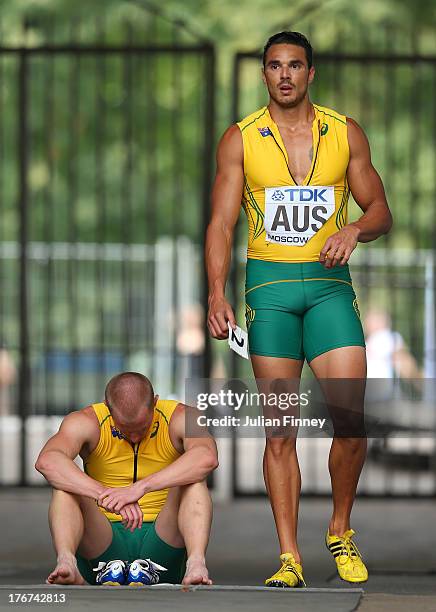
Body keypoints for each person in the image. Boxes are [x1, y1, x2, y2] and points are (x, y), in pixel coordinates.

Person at [205, 31, 392, 587]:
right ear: (264, 74)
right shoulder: (240, 139)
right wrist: (217, 291)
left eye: (294, 65)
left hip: (331, 289)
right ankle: (289, 556)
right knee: (280, 432)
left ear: (311, 73)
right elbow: (220, 222)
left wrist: (356, 228)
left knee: (351, 424)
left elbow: (380, 206)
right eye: (273, 66)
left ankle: (340, 529)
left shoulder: (344, 132)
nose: (284, 74)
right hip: (271, 292)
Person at [35, 371, 218, 586]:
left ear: (155, 403)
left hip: (162, 541)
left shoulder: (183, 417)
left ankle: (196, 564)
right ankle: (67, 562)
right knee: (65, 486)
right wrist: (105, 494)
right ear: (108, 408)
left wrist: (140, 488)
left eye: (141, 427)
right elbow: (47, 461)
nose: (134, 436)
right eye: (125, 429)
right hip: (103, 544)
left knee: (194, 480)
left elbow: (207, 457)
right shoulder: (86, 421)